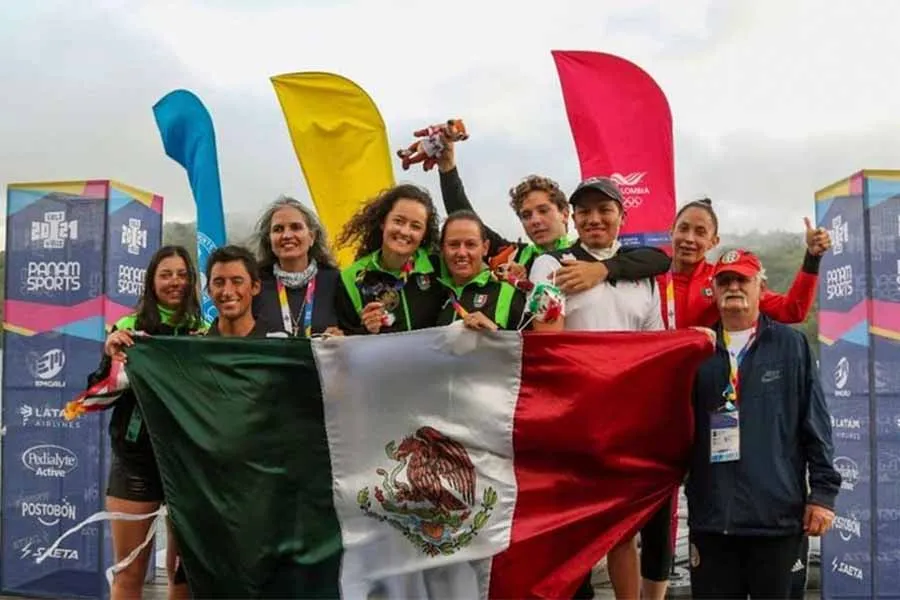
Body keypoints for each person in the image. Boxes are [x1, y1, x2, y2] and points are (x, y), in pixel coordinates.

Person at [528, 177, 669, 600]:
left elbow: (654, 349)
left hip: (625, 425)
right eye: (585, 211)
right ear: (573, 218)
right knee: (568, 533)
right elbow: (547, 340)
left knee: (623, 533)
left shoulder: (643, 276)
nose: (594, 219)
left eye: (605, 210)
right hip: (571, 422)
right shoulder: (550, 264)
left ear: (622, 216)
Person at [686, 248, 841, 599]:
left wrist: (823, 496)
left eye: (742, 279)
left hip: (776, 520)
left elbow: (815, 425)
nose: (733, 287)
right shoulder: (697, 348)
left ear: (762, 287)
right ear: (714, 289)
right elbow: (677, 430)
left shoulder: (791, 345)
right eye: (725, 280)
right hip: (712, 522)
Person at [91, 245, 204, 600]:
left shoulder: (204, 333)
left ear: (193, 281)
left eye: (182, 274)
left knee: (184, 574)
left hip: (189, 464)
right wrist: (112, 357)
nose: (175, 282)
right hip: (136, 462)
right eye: (166, 274)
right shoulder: (128, 330)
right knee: (129, 572)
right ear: (151, 282)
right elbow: (97, 396)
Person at [433, 136, 672, 291]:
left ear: (566, 214)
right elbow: (464, 217)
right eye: (526, 215)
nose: (535, 220)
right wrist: (447, 168)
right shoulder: (513, 255)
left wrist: (602, 268)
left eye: (543, 210)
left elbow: (660, 259)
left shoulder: (587, 251)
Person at [335, 183, 445, 335]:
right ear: (383, 222)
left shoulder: (438, 265)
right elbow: (344, 341)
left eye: (415, 226)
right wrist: (366, 330)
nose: (405, 231)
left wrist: (448, 173)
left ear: (424, 234)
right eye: (398, 221)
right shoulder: (351, 277)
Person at [252, 196, 342, 337]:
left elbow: (355, 334)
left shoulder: (335, 281)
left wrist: (342, 338)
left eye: (296, 227)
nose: (287, 235)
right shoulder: (255, 284)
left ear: (311, 237)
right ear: (269, 240)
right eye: (278, 229)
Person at [437, 210, 527, 331]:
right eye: (454, 244)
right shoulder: (434, 293)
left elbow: (528, 341)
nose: (462, 253)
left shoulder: (508, 293)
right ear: (442, 249)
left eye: (470, 244)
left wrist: (494, 332)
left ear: (485, 248)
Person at [207, 245, 281, 338]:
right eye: (219, 283)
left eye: (237, 282)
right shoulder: (195, 344)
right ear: (209, 290)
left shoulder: (280, 342)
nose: (227, 292)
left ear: (255, 287)